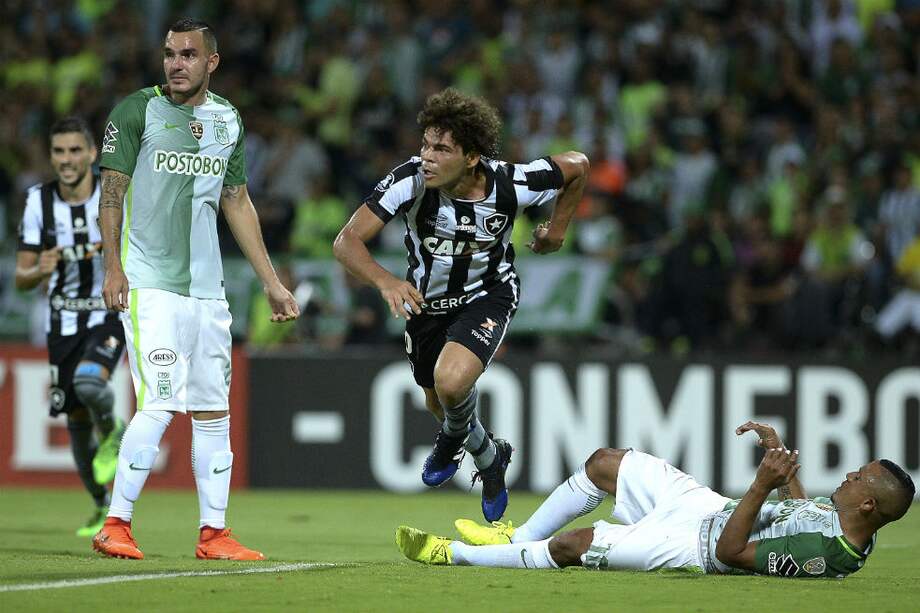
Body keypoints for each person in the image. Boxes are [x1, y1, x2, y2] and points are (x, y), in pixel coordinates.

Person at [92, 18, 299, 561]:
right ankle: (115, 523)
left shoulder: (227, 119)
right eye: (169, 54)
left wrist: (272, 282)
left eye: (187, 55)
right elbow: (110, 194)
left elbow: (236, 199)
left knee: (212, 410)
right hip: (150, 283)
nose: (175, 64)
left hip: (208, 291)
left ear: (212, 62)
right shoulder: (136, 111)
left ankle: (214, 533)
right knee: (158, 401)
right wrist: (113, 267)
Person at [334, 88, 589, 522]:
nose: (427, 157)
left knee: (451, 384)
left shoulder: (513, 183)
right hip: (426, 306)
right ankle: (491, 458)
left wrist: (557, 230)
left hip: (487, 295)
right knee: (440, 401)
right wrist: (386, 281)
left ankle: (455, 441)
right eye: (425, 145)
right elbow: (346, 241)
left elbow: (578, 166)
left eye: (441, 149)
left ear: (471, 157)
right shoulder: (409, 181)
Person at [397, 421, 914, 578]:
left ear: (869, 507)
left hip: (695, 545)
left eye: (858, 478)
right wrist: (782, 463)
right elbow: (801, 511)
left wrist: (760, 485)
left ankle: (453, 554)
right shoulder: (842, 519)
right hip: (710, 508)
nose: (847, 477)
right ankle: (519, 536)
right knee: (606, 463)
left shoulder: (830, 556)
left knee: (575, 545)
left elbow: (729, 554)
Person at [15, 116, 126, 537]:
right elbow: (22, 278)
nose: (67, 159)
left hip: (106, 311)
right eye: (59, 151)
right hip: (61, 321)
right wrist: (36, 270)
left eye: (75, 150)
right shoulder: (37, 203)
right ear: (51, 156)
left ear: (93, 153)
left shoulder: (112, 196)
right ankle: (100, 505)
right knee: (76, 422)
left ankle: (113, 429)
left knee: (90, 385)